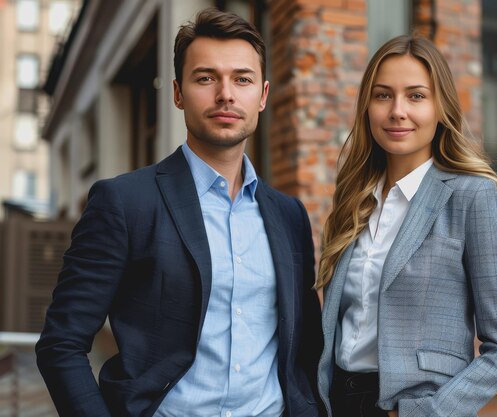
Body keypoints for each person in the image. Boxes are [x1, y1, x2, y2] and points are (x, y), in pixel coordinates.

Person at [36, 7, 322, 417]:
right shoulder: (125, 202)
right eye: (206, 78)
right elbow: (61, 343)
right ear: (177, 92)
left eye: (242, 79)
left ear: (262, 96)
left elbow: (303, 346)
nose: (226, 93)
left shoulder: (289, 215)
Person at [315, 35, 497, 417]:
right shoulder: (353, 201)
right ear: (367, 107)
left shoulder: (470, 196)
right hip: (338, 403)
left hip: (413, 407)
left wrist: (428, 413)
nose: (397, 111)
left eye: (416, 96)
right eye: (382, 96)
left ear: (441, 107)